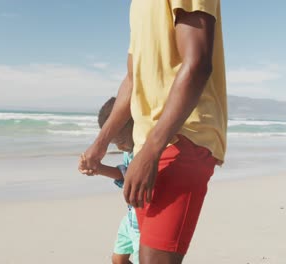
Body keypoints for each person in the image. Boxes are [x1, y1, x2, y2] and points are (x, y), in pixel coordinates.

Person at [80, 1, 227, 263]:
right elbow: (132, 78)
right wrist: (101, 143)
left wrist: (151, 151)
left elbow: (197, 64)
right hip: (148, 146)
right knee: (143, 257)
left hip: (183, 136)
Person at [78, 97, 139, 264]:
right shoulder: (129, 150)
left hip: (144, 225)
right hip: (130, 218)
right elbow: (124, 175)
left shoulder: (143, 152)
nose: (119, 148)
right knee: (118, 259)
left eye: (121, 142)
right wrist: (99, 169)